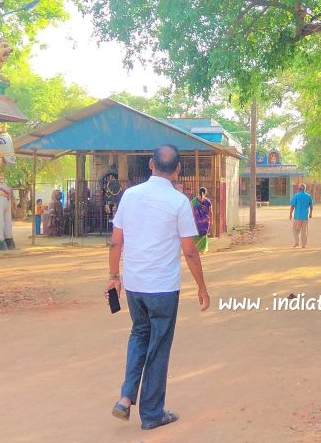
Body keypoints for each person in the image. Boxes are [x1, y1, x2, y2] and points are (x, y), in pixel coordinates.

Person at [106, 144, 211, 431]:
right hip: (163, 287)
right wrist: (202, 287)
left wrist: (114, 275)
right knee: (159, 344)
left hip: (135, 285)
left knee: (139, 334)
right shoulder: (179, 202)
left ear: (151, 165)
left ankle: (126, 397)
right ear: (178, 170)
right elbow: (189, 251)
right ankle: (152, 413)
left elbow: (117, 241)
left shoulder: (130, 195)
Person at [289, 183, 314, 248]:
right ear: (304, 189)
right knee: (304, 231)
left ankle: (296, 243)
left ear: (298, 189)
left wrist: (290, 214)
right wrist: (311, 213)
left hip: (297, 216)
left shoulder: (296, 196)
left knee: (295, 230)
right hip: (305, 217)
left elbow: (292, 206)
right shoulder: (308, 196)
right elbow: (311, 206)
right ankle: (304, 245)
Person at [191, 187, 212, 253]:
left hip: (197, 221)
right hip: (206, 220)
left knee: (197, 234)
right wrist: (211, 220)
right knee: (204, 234)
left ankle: (196, 248)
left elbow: (191, 211)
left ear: (198, 192)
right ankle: (203, 249)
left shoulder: (194, 201)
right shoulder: (208, 201)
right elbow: (210, 211)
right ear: (205, 193)